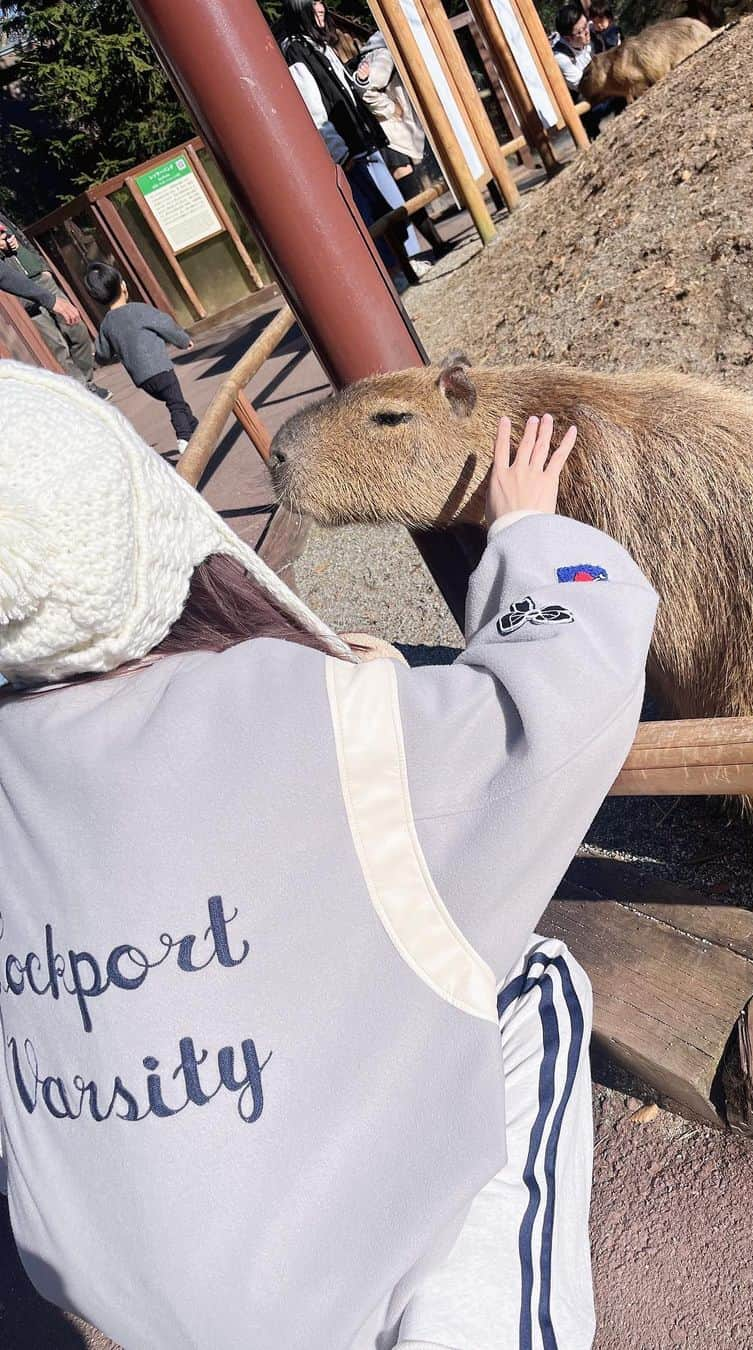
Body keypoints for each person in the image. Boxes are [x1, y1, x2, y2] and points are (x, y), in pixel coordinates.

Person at [0, 360, 657, 1348]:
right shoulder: (296, 713)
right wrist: (531, 536)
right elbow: (558, 696)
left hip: (104, 1297)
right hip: (293, 1307)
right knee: (531, 981)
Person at [276, 0, 426, 289]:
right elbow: (313, 106)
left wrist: (361, 80)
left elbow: (342, 88)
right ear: (300, 10)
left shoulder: (317, 43)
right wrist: (338, 150)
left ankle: (408, 263)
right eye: (314, 6)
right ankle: (395, 272)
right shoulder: (296, 49)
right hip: (347, 147)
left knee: (386, 205)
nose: (321, 10)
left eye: (321, 4)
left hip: (361, 137)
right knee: (372, 212)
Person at [351, 32, 449, 261]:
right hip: (389, 135)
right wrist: (390, 108)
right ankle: (436, 244)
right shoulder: (383, 53)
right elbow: (365, 88)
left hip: (393, 133)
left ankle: (437, 244)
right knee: (410, 191)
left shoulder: (380, 50)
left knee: (410, 189)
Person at [83, 262, 198, 452]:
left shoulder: (106, 325)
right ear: (123, 287)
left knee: (176, 401)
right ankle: (183, 438)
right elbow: (165, 324)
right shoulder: (139, 310)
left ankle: (194, 426)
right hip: (161, 369)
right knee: (175, 403)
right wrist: (183, 340)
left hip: (142, 380)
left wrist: (99, 358)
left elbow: (103, 353)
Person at [0, 212, 109, 400]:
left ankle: (87, 380)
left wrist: (44, 268)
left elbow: (22, 238)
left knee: (77, 327)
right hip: (21, 292)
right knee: (56, 344)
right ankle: (82, 389)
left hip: (41, 278)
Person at [551, 2, 594, 96]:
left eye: (586, 25)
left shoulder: (592, 33)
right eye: (580, 31)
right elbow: (584, 86)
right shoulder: (560, 57)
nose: (587, 31)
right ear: (567, 38)